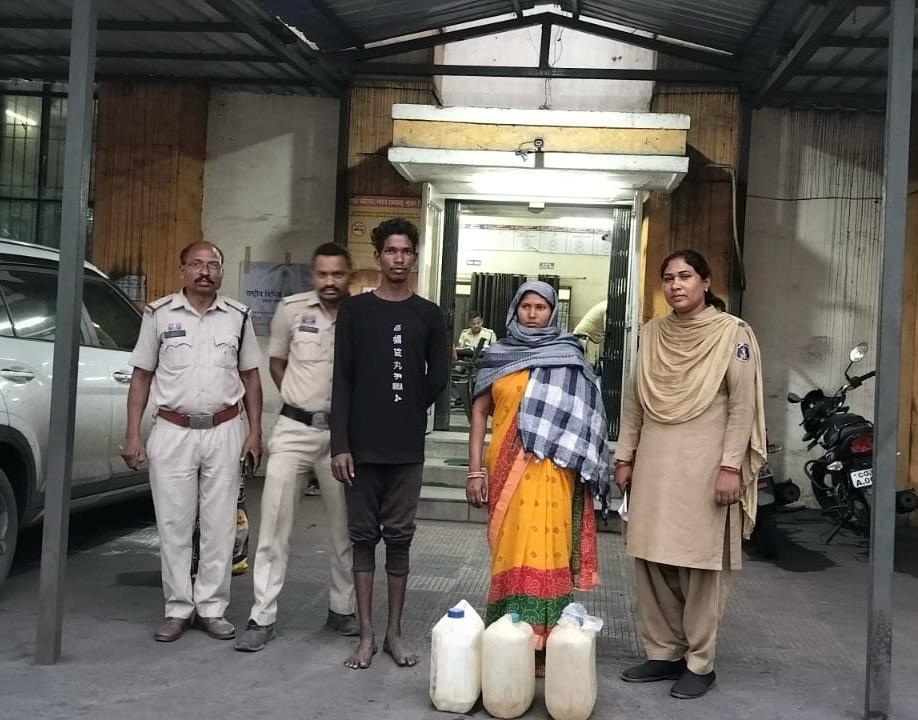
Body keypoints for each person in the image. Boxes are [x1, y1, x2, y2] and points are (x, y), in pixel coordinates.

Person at [613, 249, 765, 700]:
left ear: (705, 281)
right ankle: (663, 653)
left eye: (685, 276)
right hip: (654, 465)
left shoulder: (732, 333)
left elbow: (742, 407)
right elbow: (634, 400)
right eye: (668, 278)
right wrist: (624, 457)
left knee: (700, 564)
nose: (675, 285)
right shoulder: (651, 333)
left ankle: (700, 662)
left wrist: (730, 466)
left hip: (706, 467)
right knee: (651, 559)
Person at [122, 241, 263, 643]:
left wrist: (255, 431)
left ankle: (212, 608)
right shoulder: (159, 314)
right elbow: (142, 377)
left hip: (224, 429)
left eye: (212, 265)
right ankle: (177, 608)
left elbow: (251, 377)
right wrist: (133, 432)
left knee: (220, 525)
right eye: (196, 264)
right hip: (172, 430)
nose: (205, 271)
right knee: (174, 524)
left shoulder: (238, 317)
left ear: (221, 271)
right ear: (182, 269)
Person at [467, 280, 608, 676]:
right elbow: (479, 413)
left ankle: (547, 642)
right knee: (510, 547)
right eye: (526, 306)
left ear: (552, 312)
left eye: (540, 307)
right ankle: (507, 634)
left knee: (550, 547)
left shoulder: (569, 355)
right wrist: (475, 469)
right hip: (506, 466)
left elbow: (588, 415)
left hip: (553, 470)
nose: (532, 313)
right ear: (515, 309)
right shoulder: (497, 354)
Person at [330, 217, 449, 670]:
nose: (399, 259)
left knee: (399, 538)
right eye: (391, 251)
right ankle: (365, 636)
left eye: (406, 251)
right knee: (363, 538)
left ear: (414, 258)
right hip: (360, 448)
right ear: (378, 257)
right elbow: (341, 379)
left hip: (405, 448)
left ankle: (393, 634)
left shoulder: (428, 314)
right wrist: (340, 443)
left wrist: (410, 404)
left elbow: (438, 374)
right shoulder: (355, 311)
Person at [235, 243, 359, 653]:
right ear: (313, 275)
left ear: (349, 275)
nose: (329, 281)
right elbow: (277, 362)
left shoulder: (361, 314)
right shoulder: (291, 310)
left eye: (337, 274)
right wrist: (298, 398)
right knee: (274, 525)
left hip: (341, 438)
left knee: (344, 529)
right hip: (293, 431)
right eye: (322, 274)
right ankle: (262, 615)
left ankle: (342, 609)